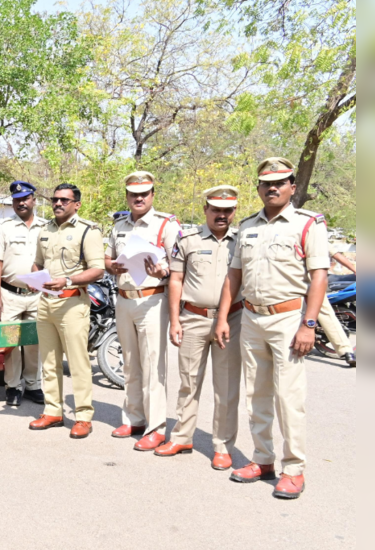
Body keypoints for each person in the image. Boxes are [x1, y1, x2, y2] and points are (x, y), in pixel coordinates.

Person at [215, 157, 329, 500]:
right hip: (251, 318)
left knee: (288, 397)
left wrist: (309, 325)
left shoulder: (308, 224)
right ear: (259, 188)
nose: (273, 188)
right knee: (256, 394)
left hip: (288, 319)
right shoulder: (248, 226)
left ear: (292, 187)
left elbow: (319, 275)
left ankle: (293, 468)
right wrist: (222, 318)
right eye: (266, 184)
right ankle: (262, 459)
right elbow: (233, 275)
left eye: (280, 182)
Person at [156, 186, 242, 470]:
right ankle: (182, 437)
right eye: (215, 209)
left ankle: (222, 446)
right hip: (192, 318)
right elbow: (176, 281)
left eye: (227, 210)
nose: (221, 215)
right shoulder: (188, 240)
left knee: (226, 387)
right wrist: (175, 320)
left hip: (231, 320)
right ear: (205, 209)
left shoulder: (242, 241)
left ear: (234, 212)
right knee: (188, 382)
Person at [104, 171, 182, 451]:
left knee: (152, 366)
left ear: (152, 195)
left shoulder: (166, 225)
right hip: (125, 299)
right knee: (130, 363)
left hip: (152, 299)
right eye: (133, 193)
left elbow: (179, 266)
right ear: (126, 195)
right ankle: (134, 418)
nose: (138, 198)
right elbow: (108, 256)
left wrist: (162, 269)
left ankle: (157, 427)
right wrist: (111, 265)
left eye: (144, 193)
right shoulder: (119, 225)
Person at [28, 184, 105, 439]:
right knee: (49, 361)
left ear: (76, 204)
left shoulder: (88, 231)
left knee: (78, 362)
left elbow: (97, 270)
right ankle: (53, 411)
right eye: (55, 199)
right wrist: (33, 276)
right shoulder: (45, 229)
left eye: (64, 200)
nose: (58, 203)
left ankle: (83, 416)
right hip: (46, 302)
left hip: (72, 303)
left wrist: (69, 280)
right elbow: (38, 261)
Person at [0, 181, 48, 406]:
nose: (21, 203)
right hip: (10, 295)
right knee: (11, 343)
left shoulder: (46, 227)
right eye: (16, 199)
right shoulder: (4, 227)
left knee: (34, 343)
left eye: (25, 198)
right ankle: (12, 387)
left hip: (37, 296)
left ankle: (33, 385)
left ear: (34, 200)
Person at [317, 248, 356, 366]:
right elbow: (335, 253)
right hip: (312, 279)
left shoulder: (309, 232)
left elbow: (334, 253)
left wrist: (354, 269)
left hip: (312, 280)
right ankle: (346, 351)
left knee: (322, 309)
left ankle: (346, 351)